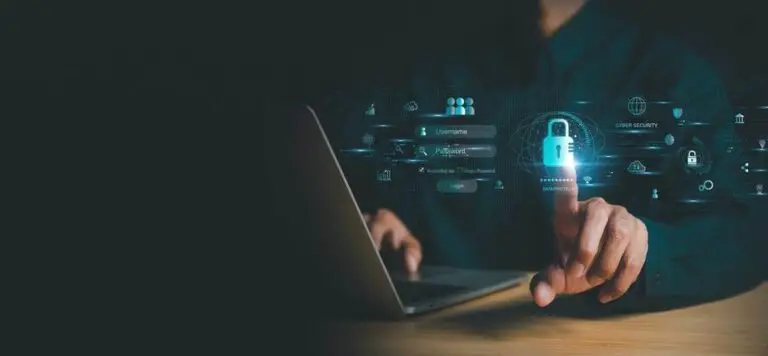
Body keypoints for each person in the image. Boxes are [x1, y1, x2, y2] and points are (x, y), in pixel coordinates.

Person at [311, 0, 762, 310]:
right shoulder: (416, 76)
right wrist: (373, 235)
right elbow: (369, 210)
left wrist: (640, 249)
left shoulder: (673, 76)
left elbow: (742, 236)